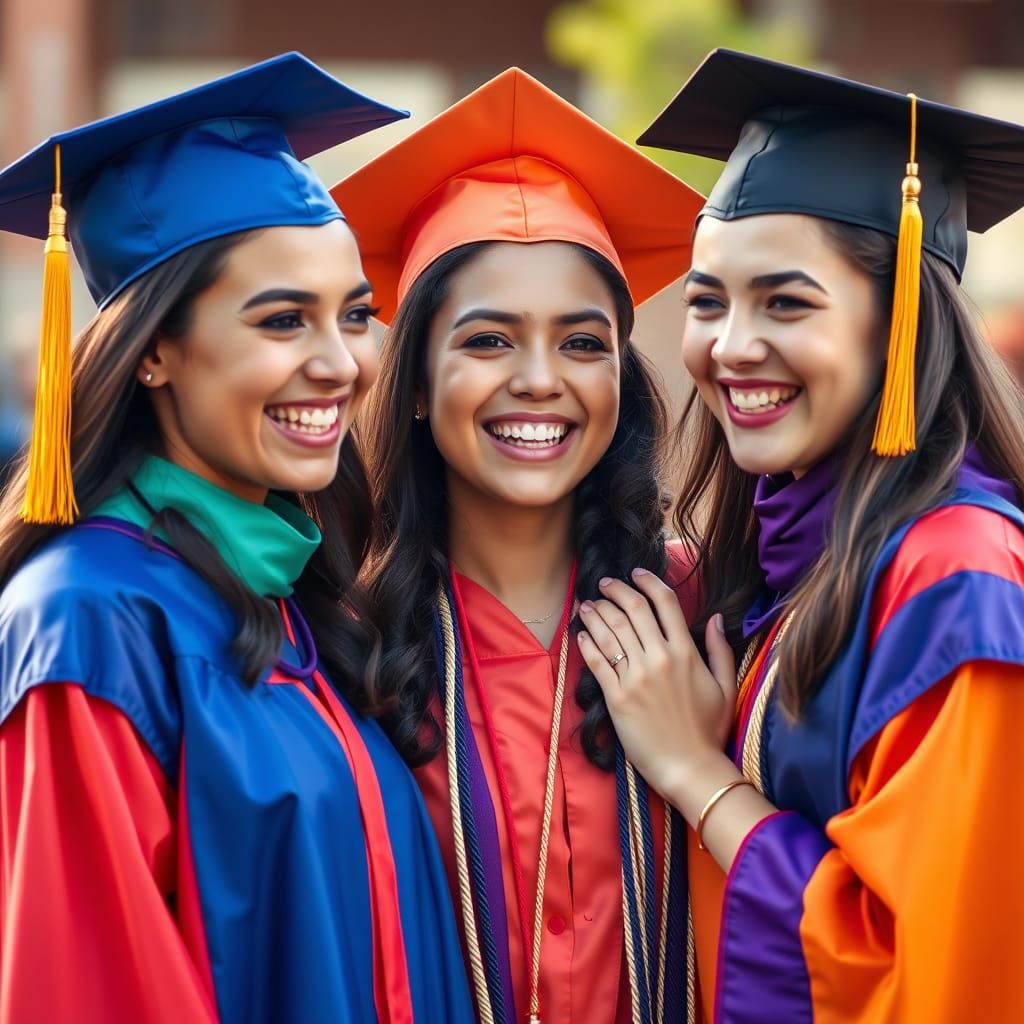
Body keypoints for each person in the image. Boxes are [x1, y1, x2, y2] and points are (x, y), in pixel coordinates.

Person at [0, 54, 473, 1024]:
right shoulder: (89, 623)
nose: (338, 364)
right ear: (155, 351)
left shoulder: (297, 600)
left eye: (354, 315)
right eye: (282, 320)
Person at [573, 49, 1024, 1023]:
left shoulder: (958, 579)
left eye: (785, 301)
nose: (729, 346)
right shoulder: (803, 557)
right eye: (706, 301)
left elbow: (929, 974)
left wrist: (699, 774)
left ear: (897, 320)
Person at [331, 69, 704, 1024]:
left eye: (584, 344)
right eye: (489, 342)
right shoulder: (339, 641)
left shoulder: (695, 612)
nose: (541, 380)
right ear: (414, 381)